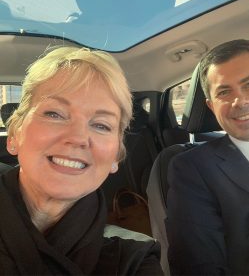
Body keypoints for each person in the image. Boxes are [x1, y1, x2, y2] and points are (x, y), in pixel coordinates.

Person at [0, 46, 163, 275]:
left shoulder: (134, 259)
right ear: (15, 133)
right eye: (54, 114)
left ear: (116, 155)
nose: (77, 138)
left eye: (101, 125)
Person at [166, 39, 249, 275]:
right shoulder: (193, 170)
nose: (240, 101)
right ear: (212, 106)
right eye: (224, 91)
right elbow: (198, 266)